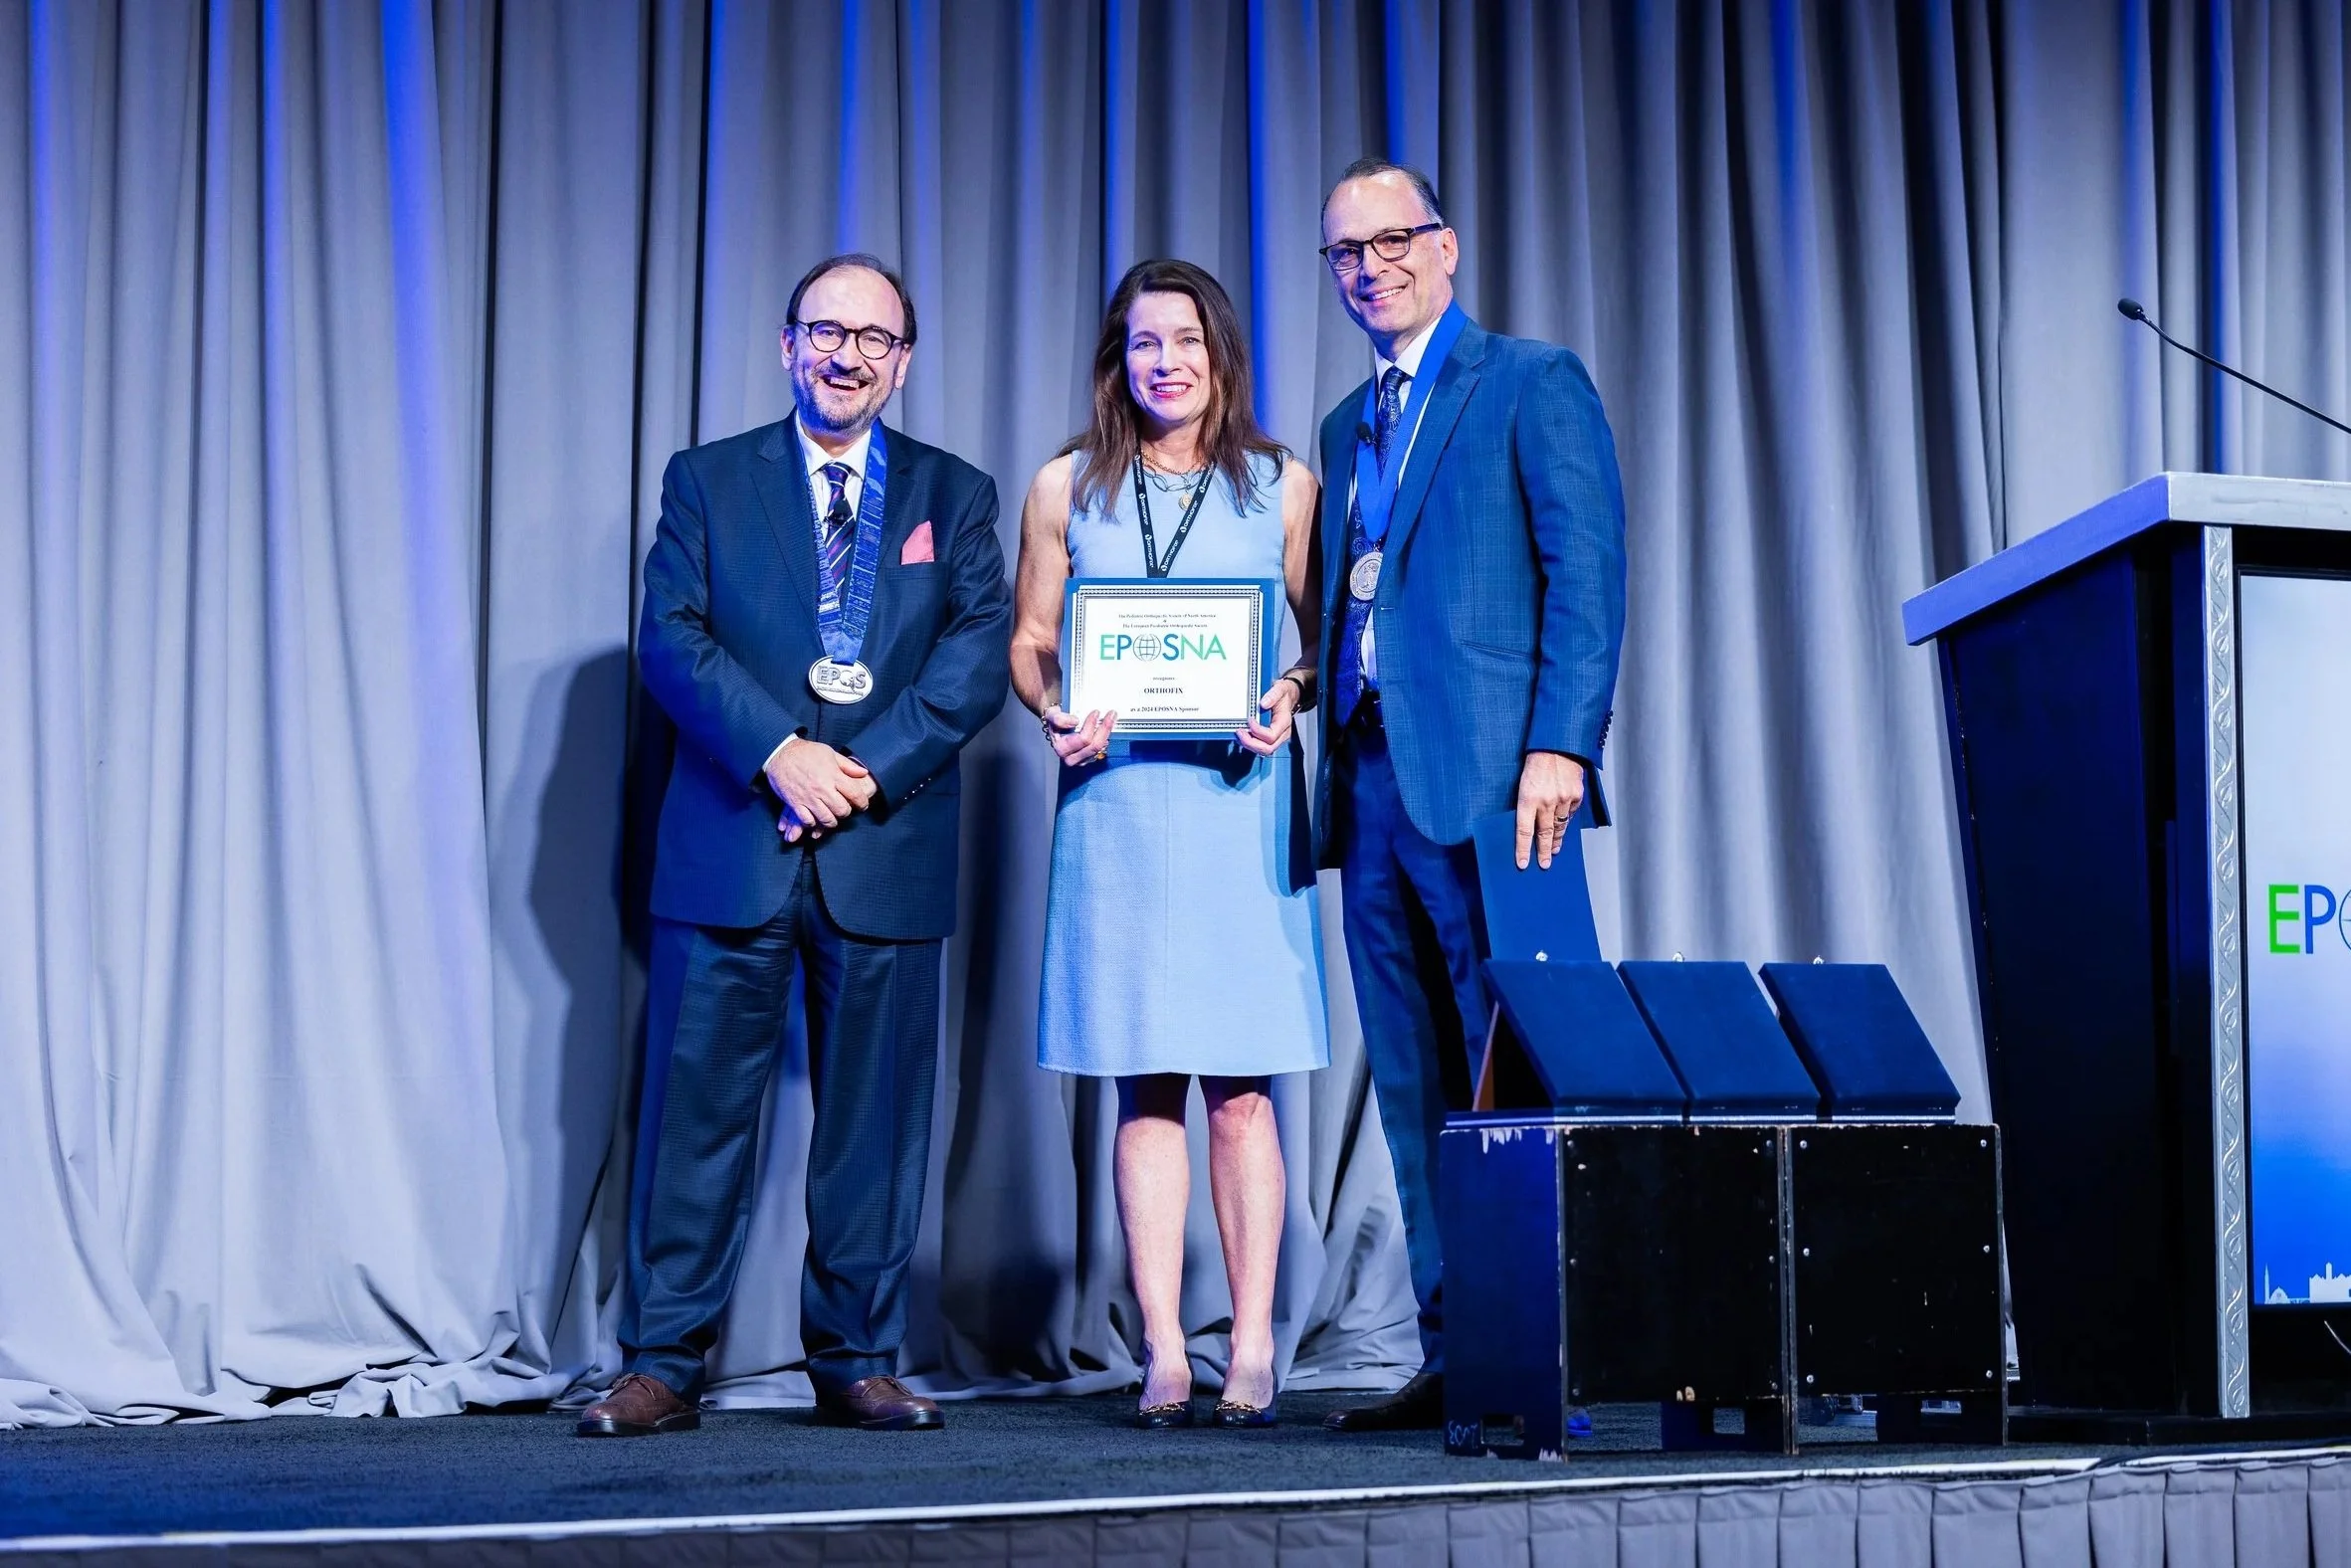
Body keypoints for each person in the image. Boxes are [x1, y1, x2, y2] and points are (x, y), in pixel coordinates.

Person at [581, 254, 1011, 1437]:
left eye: (873, 338)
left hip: (885, 843)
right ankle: (663, 1363)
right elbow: (670, 639)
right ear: (787, 345)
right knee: (694, 1116)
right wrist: (779, 752)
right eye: (825, 331)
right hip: (732, 840)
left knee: (876, 1123)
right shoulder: (706, 480)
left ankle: (855, 1359)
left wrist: (856, 772)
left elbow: (976, 652)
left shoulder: (955, 494)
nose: (846, 355)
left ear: (902, 362)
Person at [1311, 161, 1628, 1433]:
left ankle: (1560, 1351)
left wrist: (1562, 744)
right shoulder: (1344, 424)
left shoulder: (1529, 380)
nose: (1370, 266)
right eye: (1346, 251)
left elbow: (1585, 575)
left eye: (1393, 239)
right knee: (1412, 1078)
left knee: (1525, 1064)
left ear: (1444, 246)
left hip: (1500, 783)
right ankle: (1460, 1346)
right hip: (1367, 778)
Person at [1009, 259, 1327, 1429]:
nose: (1166, 362)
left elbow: (1317, 644)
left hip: (1238, 803)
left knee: (1242, 1092)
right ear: (1118, 360)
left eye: (1186, 340)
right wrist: (1053, 710)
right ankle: (1161, 1349)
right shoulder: (1063, 485)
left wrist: (1287, 693)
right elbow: (1030, 640)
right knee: (1142, 1088)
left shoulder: (1283, 485)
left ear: (1219, 352)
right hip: (1118, 807)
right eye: (1144, 343)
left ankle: (1250, 1342)